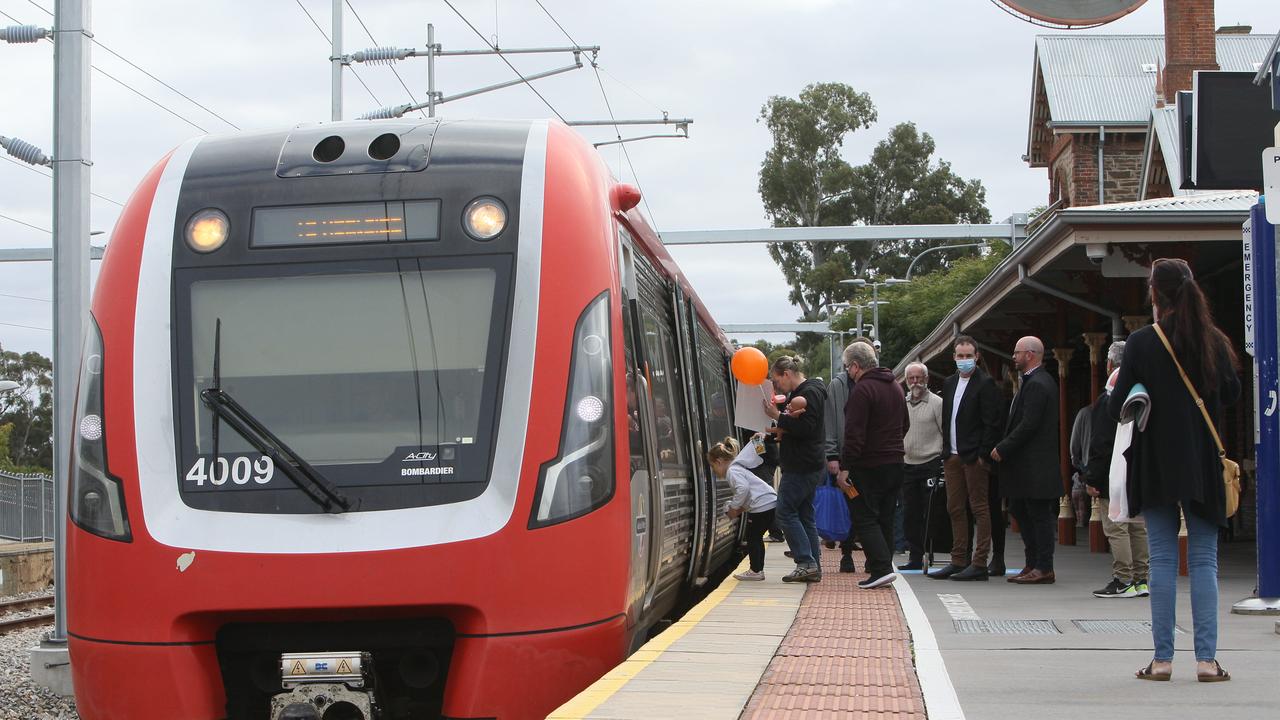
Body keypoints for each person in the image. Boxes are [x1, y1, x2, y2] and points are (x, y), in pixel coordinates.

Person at [1109, 258, 1240, 682]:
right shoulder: (1213, 340)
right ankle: (1206, 661)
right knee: (1203, 560)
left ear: (1154, 294)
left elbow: (1117, 407)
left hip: (1155, 460)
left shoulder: (1142, 343)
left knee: (1162, 559)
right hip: (1202, 458)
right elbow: (1232, 392)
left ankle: (1162, 660)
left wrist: (1146, 390)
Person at [929, 336, 1003, 581]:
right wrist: (946, 450)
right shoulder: (949, 383)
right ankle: (958, 559)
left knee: (979, 508)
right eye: (960, 356)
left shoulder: (985, 383)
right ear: (954, 357)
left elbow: (992, 423)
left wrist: (983, 454)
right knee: (954, 507)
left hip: (973, 457)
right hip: (952, 455)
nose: (964, 360)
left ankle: (979, 562)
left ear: (977, 356)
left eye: (968, 356)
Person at [837, 342, 909, 589]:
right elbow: (905, 425)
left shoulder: (862, 390)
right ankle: (883, 566)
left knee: (863, 515)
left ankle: (880, 568)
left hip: (869, 465)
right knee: (886, 517)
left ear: (856, 366)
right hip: (896, 462)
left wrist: (845, 468)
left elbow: (854, 434)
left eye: (847, 367)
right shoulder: (897, 388)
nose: (847, 372)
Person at [992, 336, 1061, 585]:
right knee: (1021, 510)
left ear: (1030, 354)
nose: (1014, 357)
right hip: (1027, 467)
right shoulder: (1031, 383)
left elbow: (1029, 424)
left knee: (1038, 515)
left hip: (1036, 467)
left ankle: (1043, 566)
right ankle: (1032, 562)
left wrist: (1003, 447)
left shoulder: (1038, 385)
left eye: (1017, 352)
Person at [1085, 341, 1150, 599]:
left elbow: (1101, 441)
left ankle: (1122, 579)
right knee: (1137, 525)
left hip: (1114, 472)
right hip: (1138, 469)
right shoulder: (1142, 391)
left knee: (1116, 526)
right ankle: (1141, 579)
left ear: (1110, 364)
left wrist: (1092, 476)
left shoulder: (1109, 397)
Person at [763, 355, 827, 583]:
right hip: (808, 462)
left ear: (787, 374)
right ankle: (813, 564)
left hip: (801, 464)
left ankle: (805, 561)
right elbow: (799, 429)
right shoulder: (809, 392)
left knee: (785, 512)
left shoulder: (808, 393)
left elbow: (807, 428)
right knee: (804, 514)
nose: (776, 386)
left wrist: (778, 416)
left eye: (777, 381)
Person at [824, 339, 868, 572]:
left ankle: (870, 555)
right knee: (848, 506)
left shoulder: (873, 383)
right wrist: (832, 455)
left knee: (869, 508)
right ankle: (847, 552)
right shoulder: (837, 386)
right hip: (845, 458)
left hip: (868, 459)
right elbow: (830, 421)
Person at [709, 436, 778, 581]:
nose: (714, 471)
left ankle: (756, 570)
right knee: (756, 537)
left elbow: (744, 489)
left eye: (713, 466)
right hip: (767, 502)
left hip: (762, 505)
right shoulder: (738, 468)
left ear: (719, 461)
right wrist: (739, 509)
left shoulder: (732, 472)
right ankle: (757, 570)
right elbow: (747, 496)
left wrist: (734, 507)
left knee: (753, 537)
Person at [900, 362, 944, 571]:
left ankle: (930, 551)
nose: (915, 382)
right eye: (911, 378)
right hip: (907, 464)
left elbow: (945, 431)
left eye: (919, 378)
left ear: (926, 379)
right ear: (906, 381)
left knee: (931, 512)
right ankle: (915, 556)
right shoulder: (902, 403)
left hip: (930, 463)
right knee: (910, 513)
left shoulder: (937, 403)